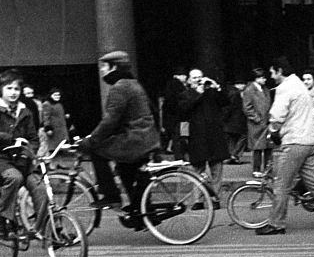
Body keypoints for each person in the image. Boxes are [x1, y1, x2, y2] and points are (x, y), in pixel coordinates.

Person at [255, 57, 314, 235]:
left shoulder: (285, 89)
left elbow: (277, 115)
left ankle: (276, 224)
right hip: (308, 141)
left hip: (294, 141)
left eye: (273, 72)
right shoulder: (299, 86)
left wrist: (273, 130)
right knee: (313, 183)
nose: (271, 76)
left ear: (280, 71)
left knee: (281, 184)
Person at [76, 51, 162, 230]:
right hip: (144, 138)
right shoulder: (132, 83)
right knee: (124, 169)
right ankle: (142, 213)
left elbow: (110, 120)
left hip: (135, 140)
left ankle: (111, 196)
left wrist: (91, 140)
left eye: (104, 66)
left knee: (96, 151)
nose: (101, 71)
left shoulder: (120, 87)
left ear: (114, 67)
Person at [0, 69, 47, 237]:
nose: (13, 93)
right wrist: (11, 139)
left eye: (16, 89)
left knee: (40, 186)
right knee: (14, 178)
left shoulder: (25, 111)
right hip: (2, 160)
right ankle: (5, 220)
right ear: (1, 90)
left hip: (22, 160)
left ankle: (45, 230)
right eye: (9, 88)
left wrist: (28, 152)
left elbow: (34, 138)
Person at [178, 68, 229, 207]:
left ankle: (215, 199)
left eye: (200, 77)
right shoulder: (186, 94)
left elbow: (225, 101)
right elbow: (183, 110)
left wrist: (216, 86)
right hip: (197, 137)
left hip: (214, 135)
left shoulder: (211, 92)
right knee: (197, 170)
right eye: (195, 78)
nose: (198, 80)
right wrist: (198, 94)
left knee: (216, 169)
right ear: (189, 80)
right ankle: (198, 200)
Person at [241, 67, 272, 175]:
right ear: (257, 78)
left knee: (268, 147)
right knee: (257, 147)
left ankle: (268, 169)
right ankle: (256, 169)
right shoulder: (249, 90)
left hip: (266, 121)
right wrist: (257, 118)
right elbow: (247, 107)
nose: (265, 80)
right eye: (263, 78)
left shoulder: (266, 89)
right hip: (256, 123)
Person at [39, 88, 71, 156]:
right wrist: (48, 128)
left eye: (58, 95)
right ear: (51, 95)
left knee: (61, 149)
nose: (57, 96)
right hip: (54, 131)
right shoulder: (47, 104)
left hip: (61, 130)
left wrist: (65, 115)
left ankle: (60, 164)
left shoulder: (59, 104)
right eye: (55, 95)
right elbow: (46, 117)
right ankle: (52, 164)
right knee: (54, 150)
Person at [223, 82, 248, 164]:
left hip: (232, 120)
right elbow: (230, 107)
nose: (244, 85)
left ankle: (231, 155)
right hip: (236, 119)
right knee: (243, 136)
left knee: (232, 138)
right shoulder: (236, 94)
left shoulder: (231, 92)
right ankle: (235, 154)